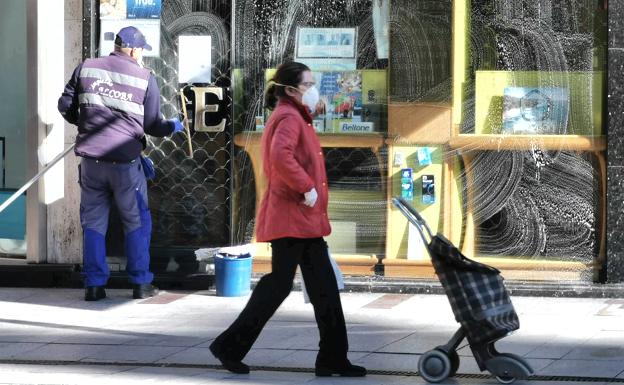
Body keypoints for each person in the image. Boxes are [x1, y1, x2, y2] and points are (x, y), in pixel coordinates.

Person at [209, 62, 367, 378]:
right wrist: (306, 187)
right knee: (282, 285)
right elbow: (281, 157)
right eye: (308, 84)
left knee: (321, 286)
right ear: (291, 90)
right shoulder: (289, 118)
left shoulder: (295, 116)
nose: (313, 89)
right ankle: (230, 346)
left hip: (301, 219)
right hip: (292, 217)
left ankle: (332, 358)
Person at [58, 26, 184, 301]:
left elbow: (65, 105)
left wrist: (85, 124)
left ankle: (94, 286)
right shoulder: (144, 78)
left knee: (93, 223)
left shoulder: (87, 68)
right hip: (126, 164)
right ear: (135, 49)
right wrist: (174, 126)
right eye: (141, 51)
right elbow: (152, 125)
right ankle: (140, 283)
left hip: (92, 162)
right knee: (136, 221)